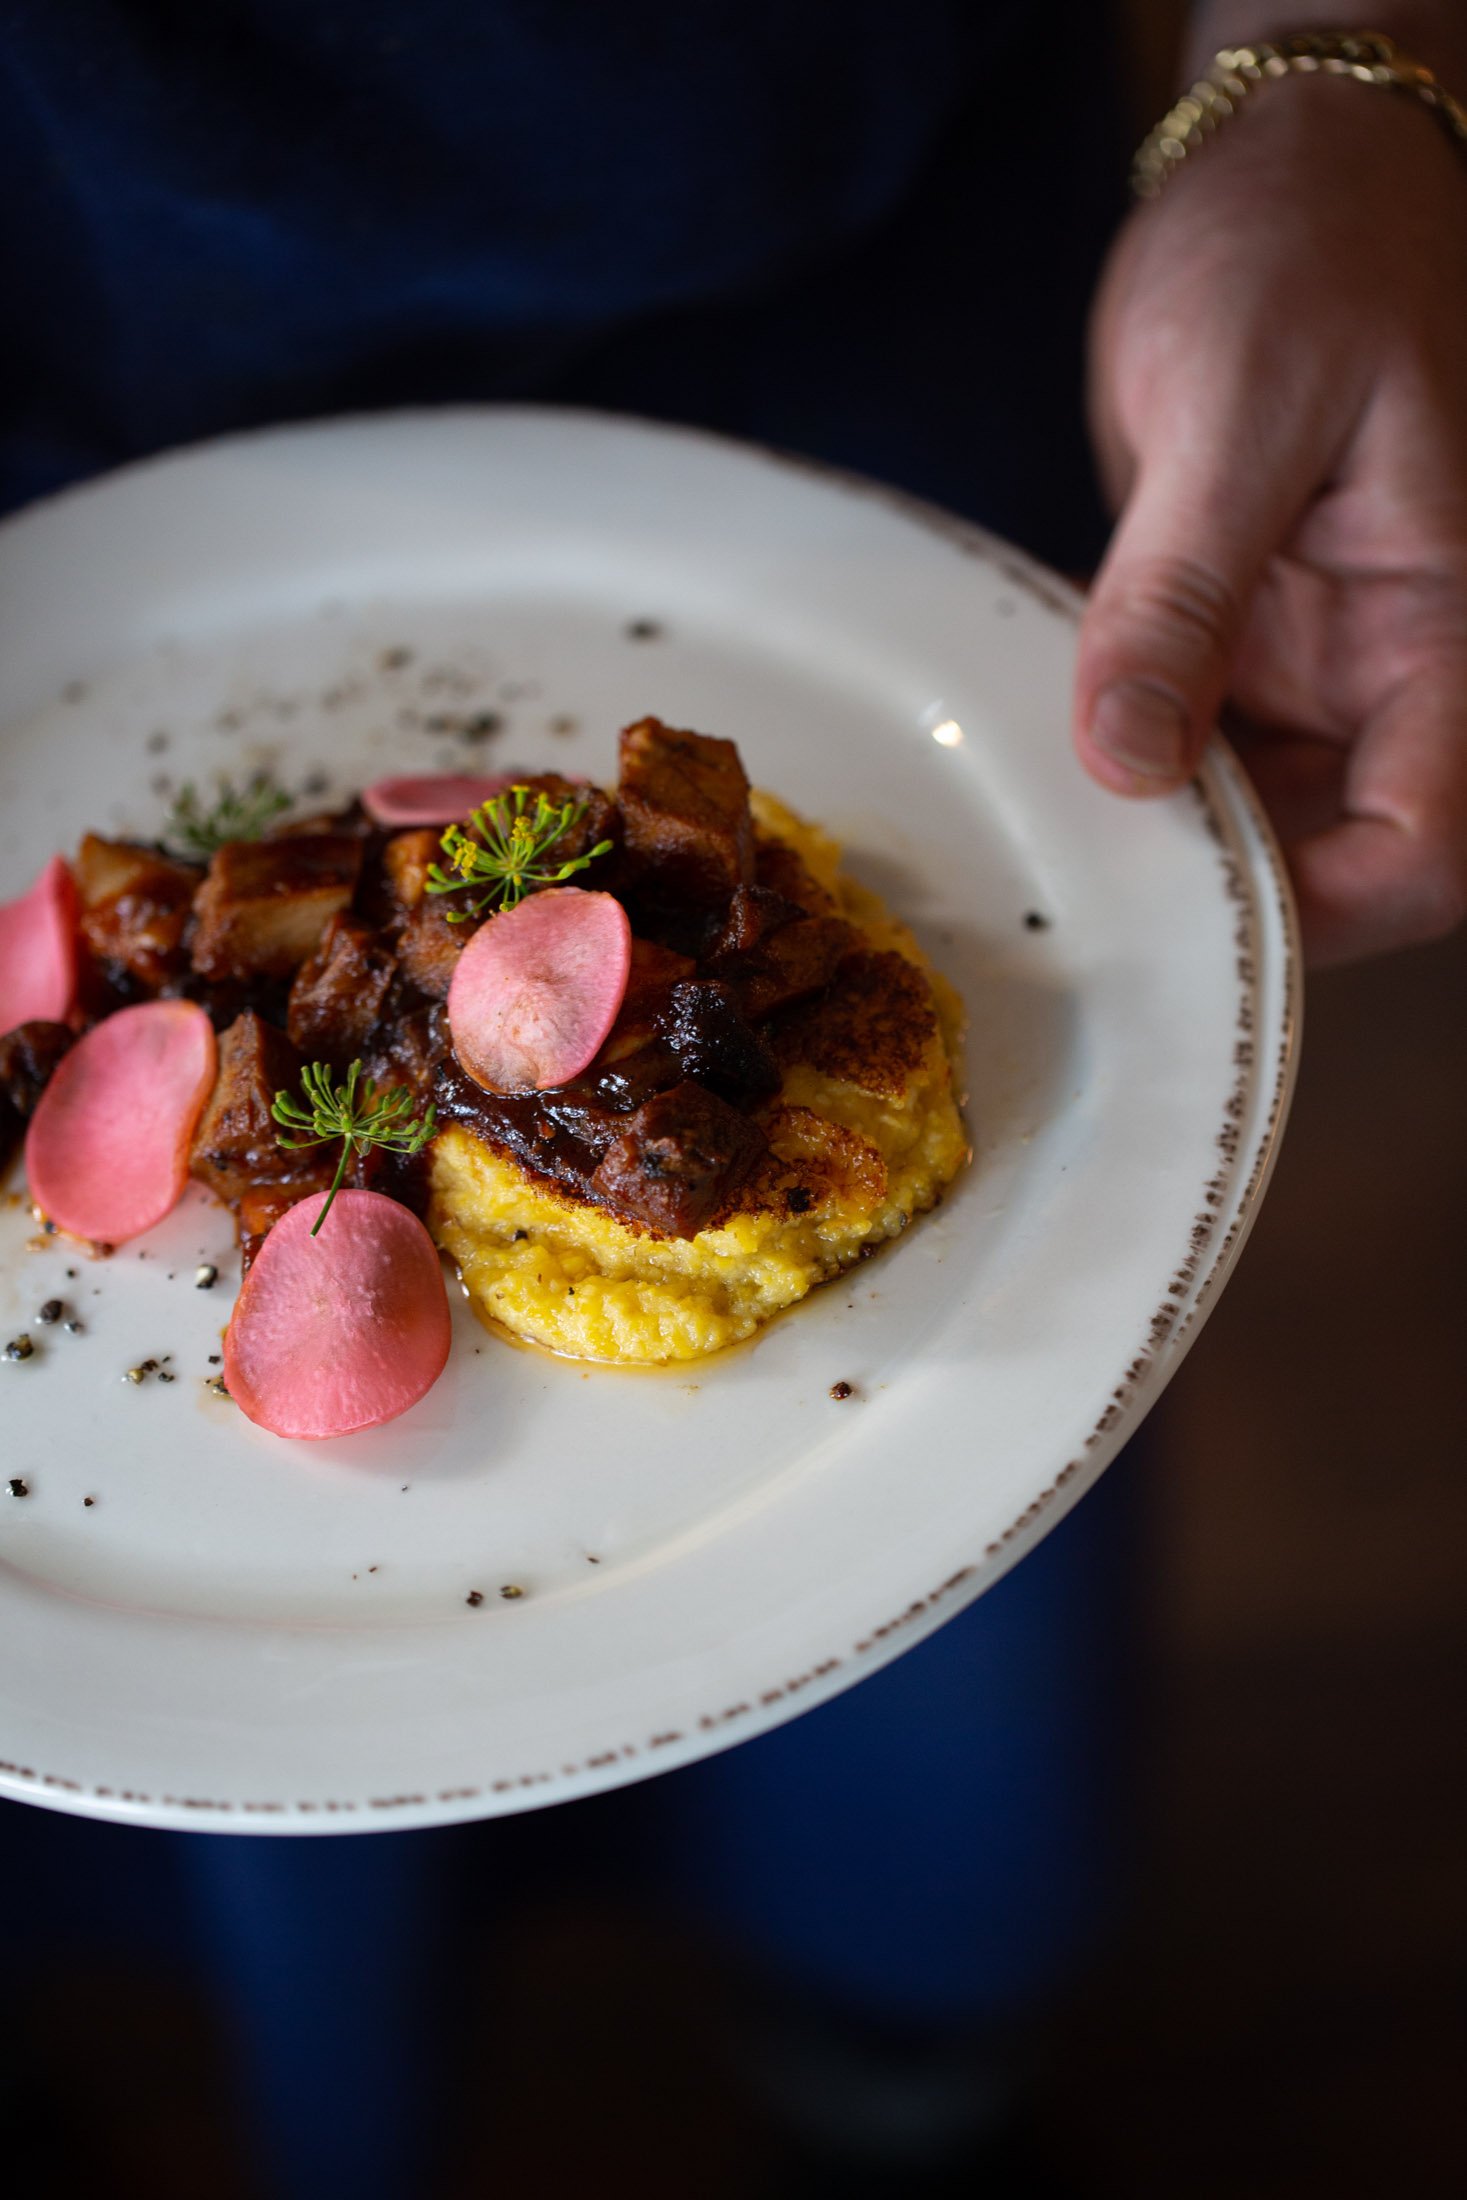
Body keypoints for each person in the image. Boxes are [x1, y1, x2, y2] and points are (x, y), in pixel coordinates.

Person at [2, 4, 1464, 2194]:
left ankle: (899, 2067)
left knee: (944, 1619)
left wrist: (1330, 78)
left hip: (866, 308)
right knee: (256, 1782)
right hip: (63, 371)